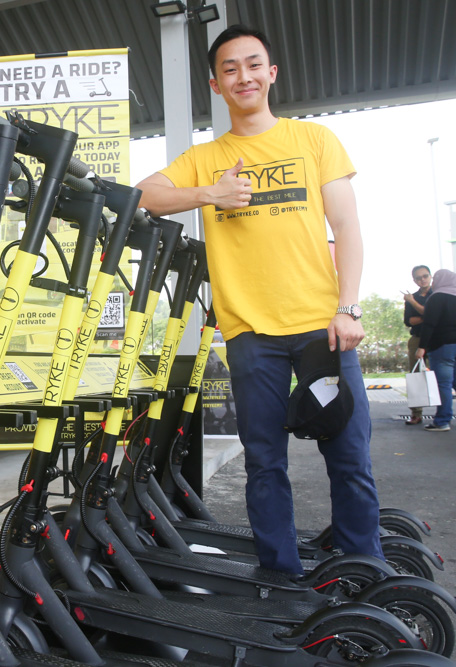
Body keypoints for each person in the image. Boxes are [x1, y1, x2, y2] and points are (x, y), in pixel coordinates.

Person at [136, 25, 382, 575]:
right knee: (265, 462)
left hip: (324, 328)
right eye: (230, 69)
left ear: (271, 74)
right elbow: (143, 195)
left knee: (348, 457)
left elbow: (347, 225)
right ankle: (281, 575)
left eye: (253, 65)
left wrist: (349, 307)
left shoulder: (313, 141)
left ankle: (366, 570)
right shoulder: (206, 157)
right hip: (251, 336)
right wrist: (209, 194)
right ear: (216, 85)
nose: (243, 76)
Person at [415, 269, 456, 432]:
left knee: (443, 384)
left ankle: (442, 421)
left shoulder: (436, 298)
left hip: (442, 346)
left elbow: (429, 324)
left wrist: (421, 347)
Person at [403, 265, 433, 424]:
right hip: (417, 338)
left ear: (430, 276)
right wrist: (428, 316)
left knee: (443, 376)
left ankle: (444, 414)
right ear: (414, 280)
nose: (422, 280)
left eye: (425, 276)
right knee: (415, 376)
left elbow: (432, 315)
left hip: (436, 339)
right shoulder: (411, 297)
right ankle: (416, 413)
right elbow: (408, 321)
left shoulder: (438, 294)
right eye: (418, 277)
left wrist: (413, 303)